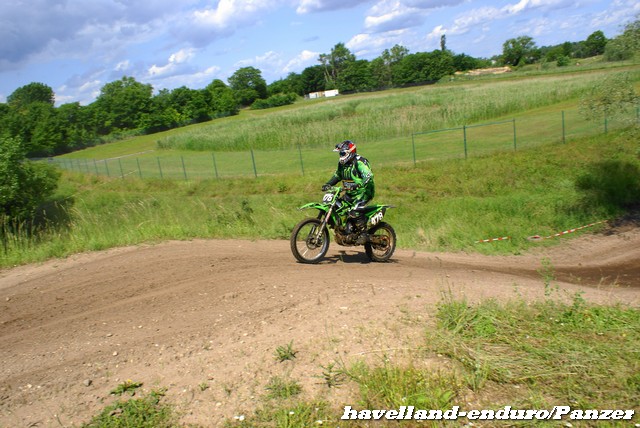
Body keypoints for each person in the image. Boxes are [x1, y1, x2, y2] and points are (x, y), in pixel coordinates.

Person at [322, 140, 375, 244]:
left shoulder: (359, 162)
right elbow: (337, 176)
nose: (341, 156)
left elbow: (368, 176)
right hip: (350, 194)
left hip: (364, 193)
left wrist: (358, 185)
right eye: (340, 154)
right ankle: (346, 230)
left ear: (350, 152)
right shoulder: (342, 164)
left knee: (354, 211)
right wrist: (328, 184)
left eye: (342, 153)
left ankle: (364, 234)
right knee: (337, 206)